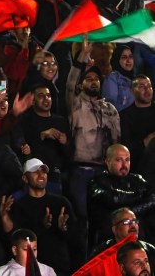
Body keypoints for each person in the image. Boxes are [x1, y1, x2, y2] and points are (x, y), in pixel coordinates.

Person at [66, 39, 121, 219]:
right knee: (83, 217)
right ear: (82, 84)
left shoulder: (110, 109)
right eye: (88, 79)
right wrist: (81, 58)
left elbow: (116, 143)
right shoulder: (76, 105)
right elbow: (69, 86)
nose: (93, 82)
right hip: (81, 171)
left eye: (96, 79)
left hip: (104, 172)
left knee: (105, 217)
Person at [10, 159, 78, 275]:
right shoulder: (19, 206)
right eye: (35, 172)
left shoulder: (61, 202)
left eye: (43, 171)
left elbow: (77, 238)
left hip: (61, 267)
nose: (41, 175)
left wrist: (64, 228)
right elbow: (20, 240)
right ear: (25, 178)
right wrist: (42, 226)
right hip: (34, 268)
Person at [87, 144, 155, 248]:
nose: (124, 164)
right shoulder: (97, 181)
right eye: (119, 160)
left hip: (139, 237)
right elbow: (114, 198)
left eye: (127, 160)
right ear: (107, 161)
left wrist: (130, 212)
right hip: (107, 239)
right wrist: (138, 202)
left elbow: (152, 197)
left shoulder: (137, 180)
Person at [91, 208, 155, 262]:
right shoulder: (101, 254)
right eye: (126, 222)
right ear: (115, 229)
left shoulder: (150, 250)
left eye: (134, 221)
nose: (133, 225)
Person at [121, 75, 155, 170]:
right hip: (139, 167)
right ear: (132, 91)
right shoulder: (125, 116)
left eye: (149, 86)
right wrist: (148, 139)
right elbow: (127, 149)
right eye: (142, 86)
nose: (147, 89)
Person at [103, 45, 136, 112]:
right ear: (117, 59)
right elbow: (111, 108)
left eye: (130, 57)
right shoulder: (112, 78)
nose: (128, 60)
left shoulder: (136, 79)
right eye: (124, 57)